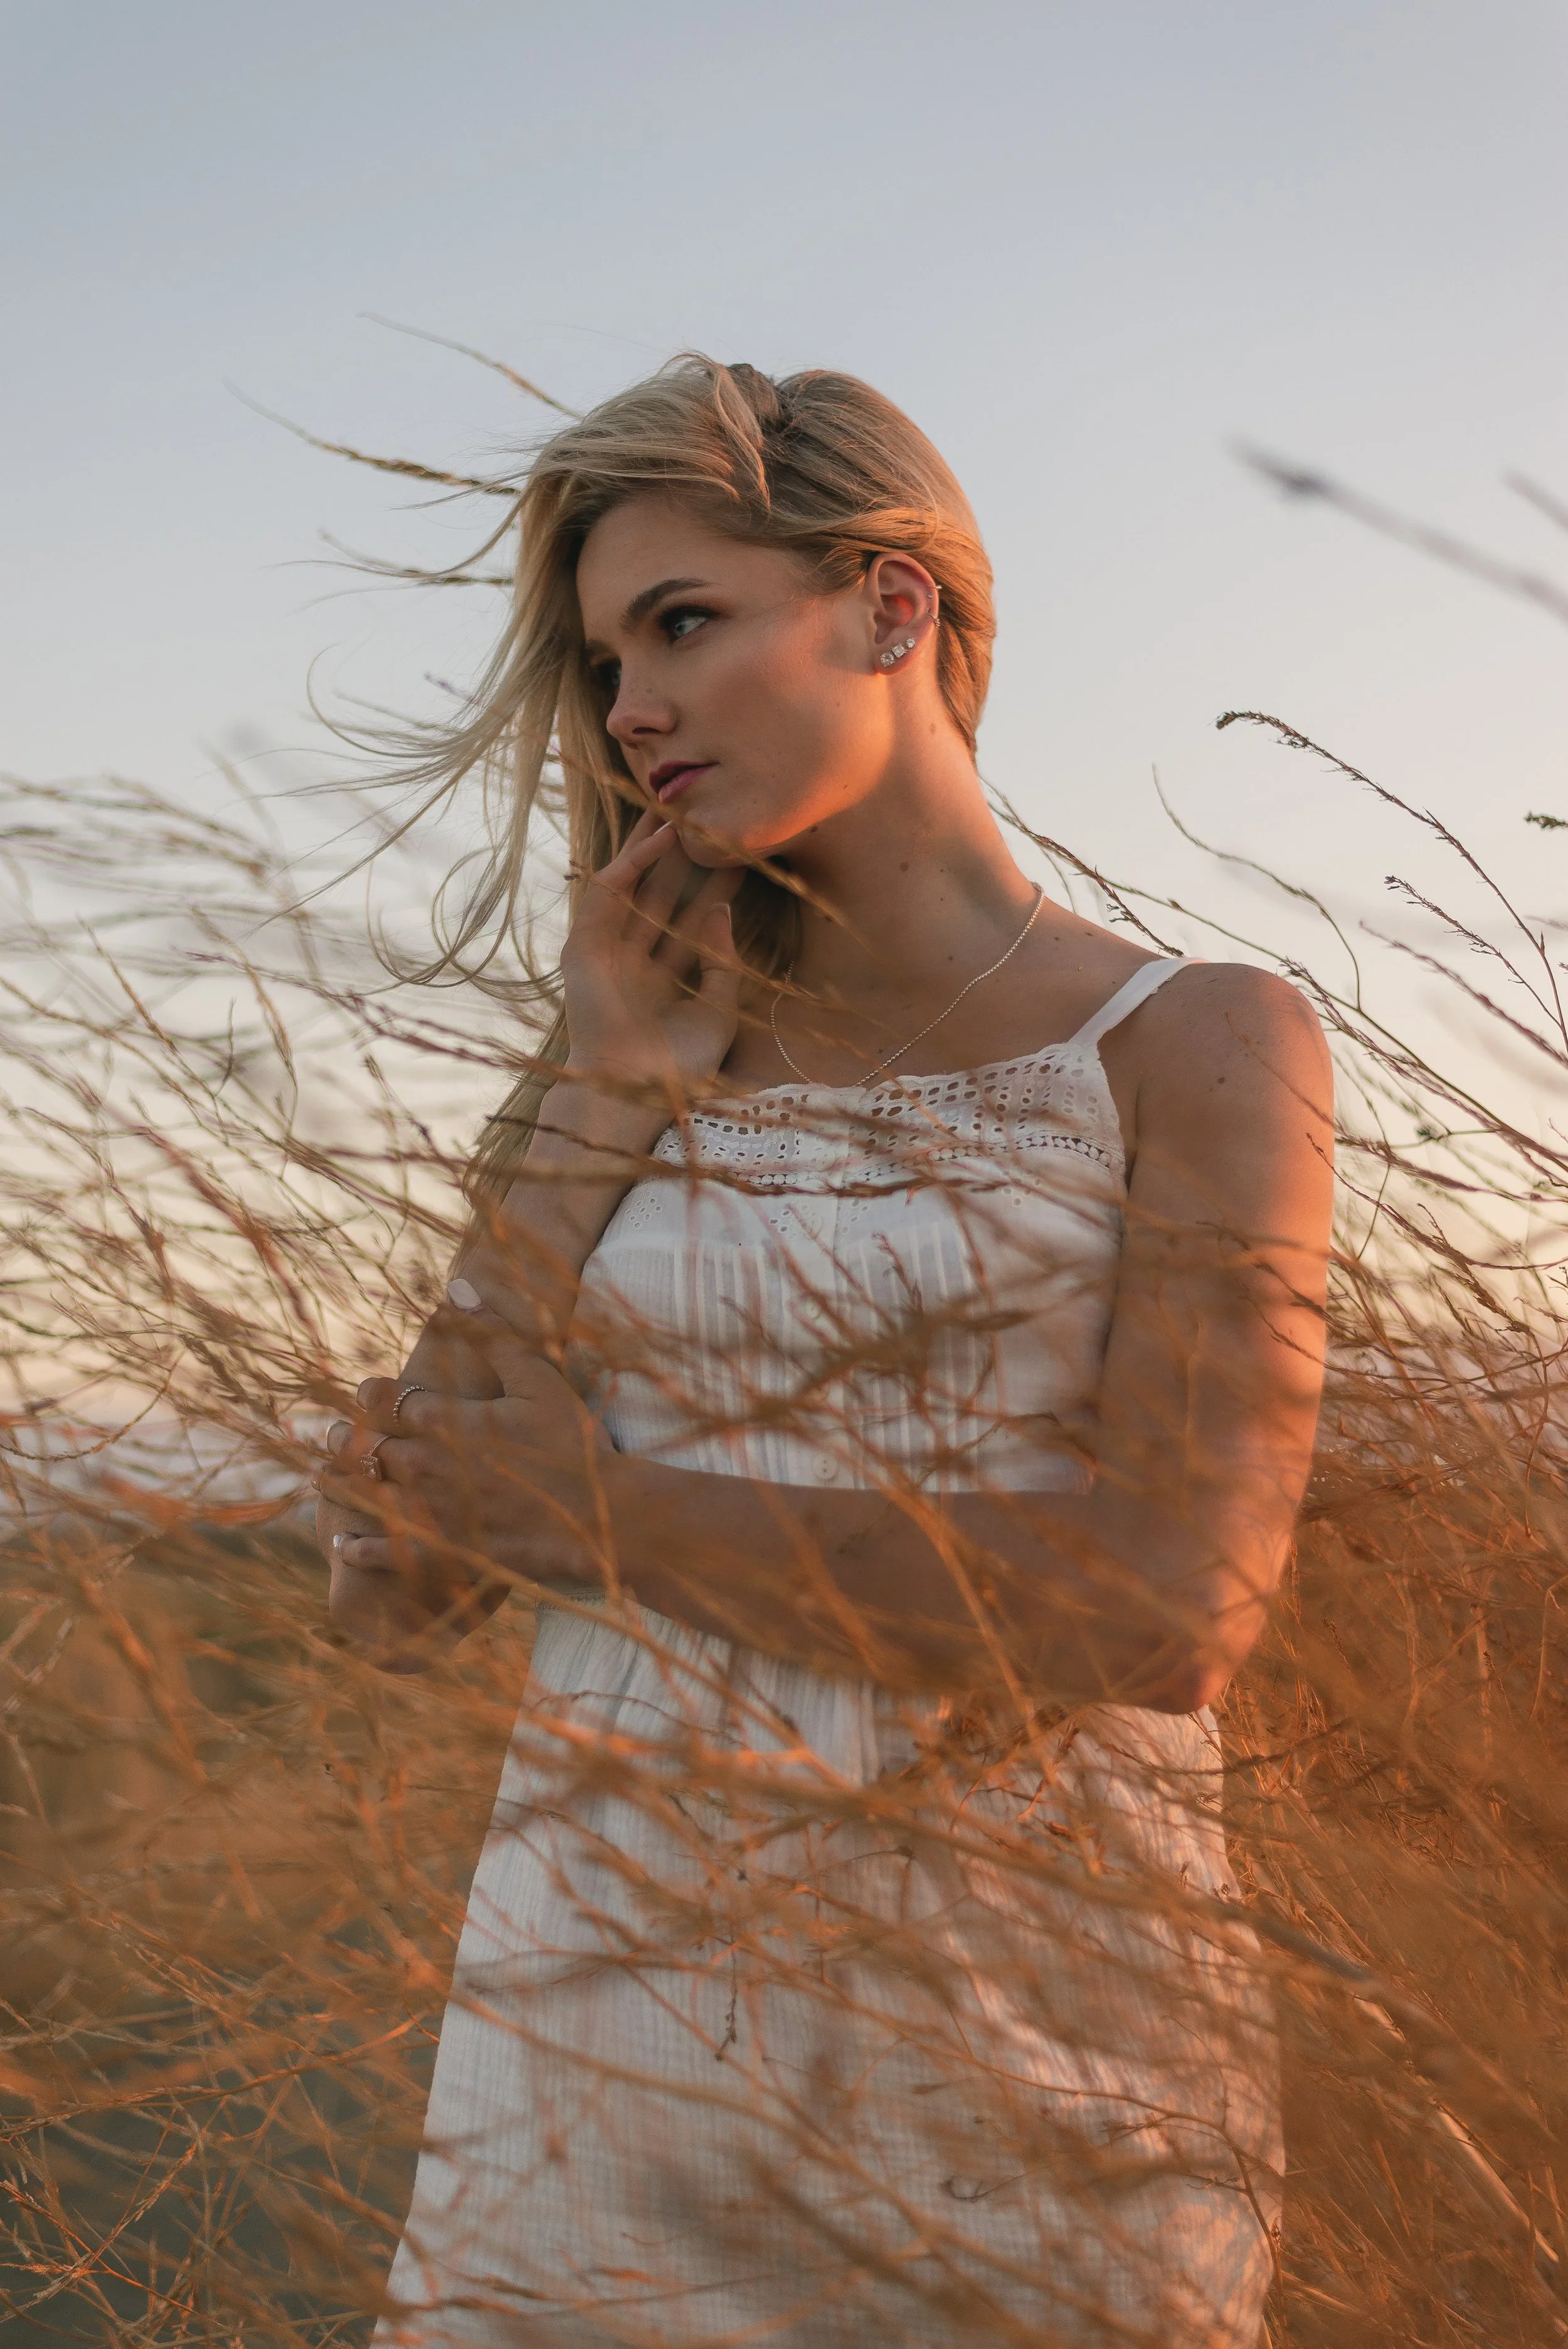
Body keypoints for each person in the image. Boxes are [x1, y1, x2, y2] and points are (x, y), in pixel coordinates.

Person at [317, 357, 1332, 2347]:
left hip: (1031, 2060)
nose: (629, 711)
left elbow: (1166, 1605)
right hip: (593, 2041)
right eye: (608, 658)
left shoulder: (1197, 1042)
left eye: (683, 622)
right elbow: (398, 1577)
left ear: (889, 605)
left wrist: (587, 1515)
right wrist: (606, 1084)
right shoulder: (621, 1043)